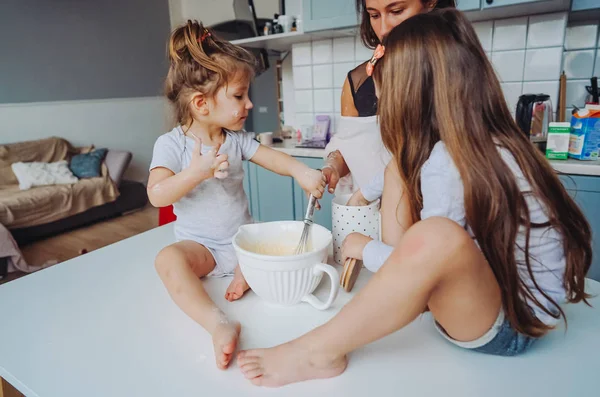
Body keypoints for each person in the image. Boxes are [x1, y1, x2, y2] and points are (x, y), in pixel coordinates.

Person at [237, 9, 592, 387]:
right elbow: (395, 176)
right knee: (400, 171)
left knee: (437, 234)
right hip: (505, 301)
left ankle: (318, 350)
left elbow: (433, 259)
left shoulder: (448, 163)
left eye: (385, 95)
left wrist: (363, 246)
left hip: (511, 326)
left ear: (410, 96)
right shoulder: (484, 145)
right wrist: (358, 195)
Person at [147, 21, 326, 370]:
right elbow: (157, 195)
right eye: (238, 96)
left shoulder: (235, 140)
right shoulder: (171, 145)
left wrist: (301, 172)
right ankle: (217, 322)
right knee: (167, 260)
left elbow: (273, 157)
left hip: (244, 241)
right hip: (202, 249)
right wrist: (196, 172)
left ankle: (247, 270)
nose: (248, 105)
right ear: (201, 103)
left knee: (287, 242)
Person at [322, 0, 456, 248]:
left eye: (396, 11)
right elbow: (350, 145)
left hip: (435, 237)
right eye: (374, 15)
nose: (383, 29)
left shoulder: (454, 73)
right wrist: (333, 166)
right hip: (378, 227)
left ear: (430, 3)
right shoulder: (360, 82)